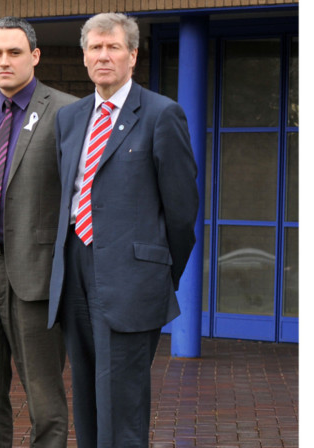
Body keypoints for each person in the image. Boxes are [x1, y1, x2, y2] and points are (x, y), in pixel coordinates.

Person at [48, 12, 198, 447]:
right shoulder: (71, 118)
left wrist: (156, 274)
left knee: (123, 408)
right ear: (84, 56)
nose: (104, 55)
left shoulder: (161, 114)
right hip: (75, 270)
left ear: (133, 55)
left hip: (132, 280)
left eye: (113, 47)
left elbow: (182, 212)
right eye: (95, 47)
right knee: (88, 403)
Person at [0, 16, 77, 447]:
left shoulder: (67, 111)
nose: (4, 61)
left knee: (45, 399)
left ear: (35, 56)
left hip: (37, 275)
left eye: (14, 52)